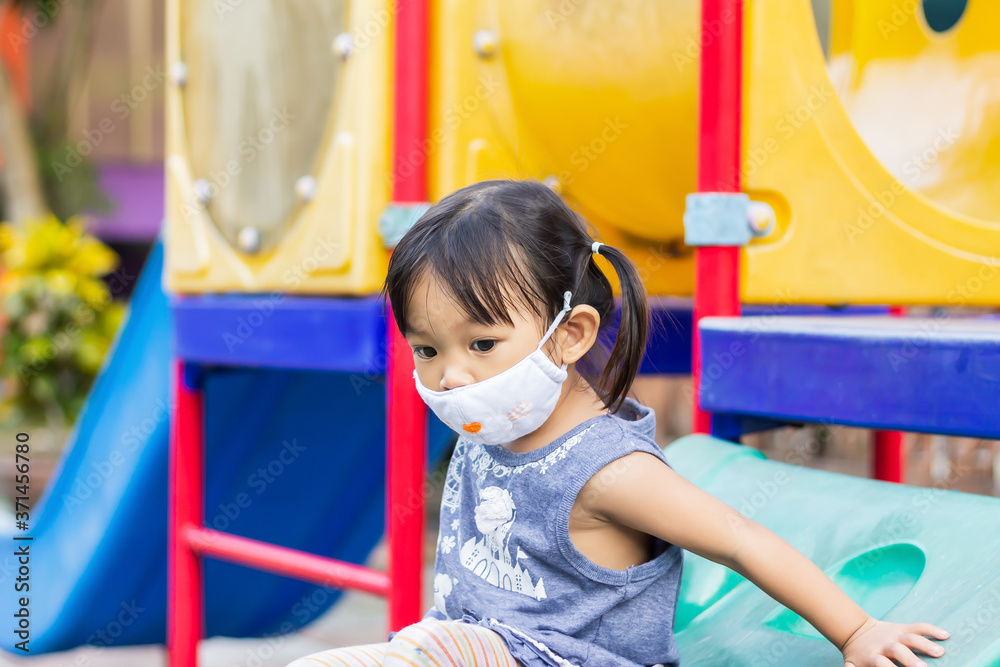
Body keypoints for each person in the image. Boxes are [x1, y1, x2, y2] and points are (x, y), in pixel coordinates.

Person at [288, 179, 950, 667]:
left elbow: (741, 539)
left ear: (570, 333)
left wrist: (857, 631)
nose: (450, 375)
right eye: (427, 349)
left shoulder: (607, 469)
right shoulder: (495, 422)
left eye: (481, 343)